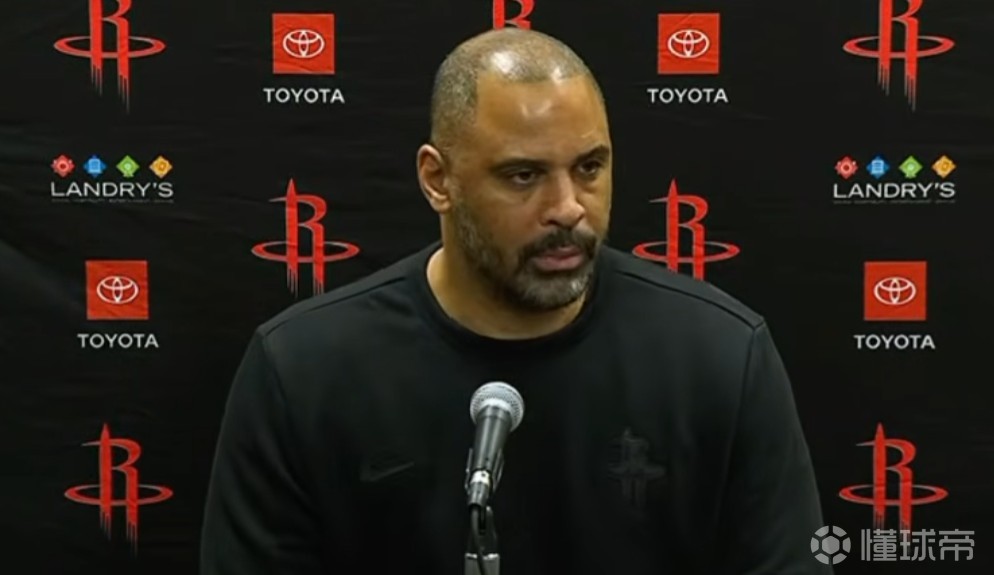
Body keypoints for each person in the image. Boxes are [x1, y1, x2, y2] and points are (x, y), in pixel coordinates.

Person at [199, 27, 832, 574]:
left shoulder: (721, 356)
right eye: (523, 176)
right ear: (438, 180)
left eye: (590, 168)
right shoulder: (303, 371)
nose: (568, 208)